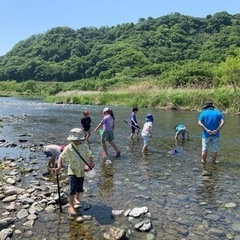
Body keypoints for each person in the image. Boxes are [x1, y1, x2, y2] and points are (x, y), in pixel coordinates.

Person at [55, 128, 94, 216]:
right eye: (73, 140)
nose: (75, 142)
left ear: (80, 139)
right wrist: (59, 166)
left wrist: (91, 162)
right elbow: (61, 157)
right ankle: (71, 206)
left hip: (81, 170)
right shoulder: (69, 147)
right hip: (72, 171)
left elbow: (90, 154)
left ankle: (77, 198)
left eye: (76, 140)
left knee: (79, 187)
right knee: (72, 189)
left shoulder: (84, 146)